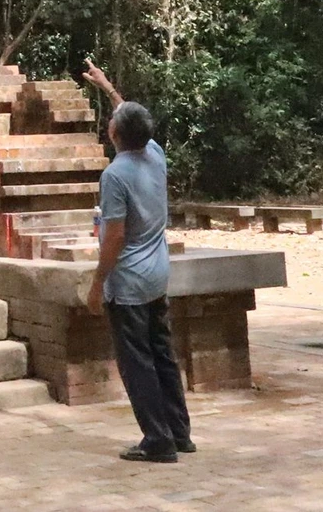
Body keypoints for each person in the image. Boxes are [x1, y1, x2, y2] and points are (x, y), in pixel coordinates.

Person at [85, 82, 194, 464]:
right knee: (163, 354)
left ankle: (157, 439)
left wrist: (97, 283)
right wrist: (108, 87)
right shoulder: (155, 155)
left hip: (128, 281)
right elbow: (134, 117)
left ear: (113, 132)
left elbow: (113, 236)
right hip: (157, 274)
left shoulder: (114, 175)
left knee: (137, 363)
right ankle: (180, 432)